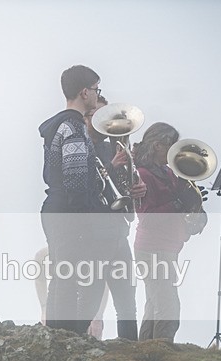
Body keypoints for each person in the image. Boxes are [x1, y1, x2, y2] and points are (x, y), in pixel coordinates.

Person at [39, 66, 144, 337]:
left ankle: (58, 339)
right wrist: (87, 219)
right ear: (85, 92)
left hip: (63, 212)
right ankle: (63, 340)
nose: (98, 95)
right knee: (69, 282)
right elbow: (76, 181)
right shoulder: (74, 128)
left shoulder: (63, 126)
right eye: (97, 90)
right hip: (72, 215)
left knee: (64, 280)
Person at [133, 122, 207, 342]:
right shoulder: (144, 174)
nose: (175, 150)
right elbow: (147, 218)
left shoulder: (168, 172)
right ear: (158, 145)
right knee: (168, 309)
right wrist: (177, 204)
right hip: (153, 249)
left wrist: (193, 203)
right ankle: (162, 352)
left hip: (166, 248)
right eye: (171, 145)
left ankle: (145, 352)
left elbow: (179, 204)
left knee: (154, 306)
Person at [81, 97, 145, 340]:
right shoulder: (84, 147)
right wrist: (111, 165)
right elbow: (85, 186)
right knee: (89, 302)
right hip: (94, 236)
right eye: (95, 116)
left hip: (119, 232)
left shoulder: (112, 147)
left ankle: (130, 352)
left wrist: (137, 187)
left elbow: (121, 186)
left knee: (127, 304)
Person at [33, 245, 108, 339]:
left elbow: (102, 285)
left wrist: (97, 316)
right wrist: (44, 309)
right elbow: (40, 259)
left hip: (87, 309)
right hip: (61, 308)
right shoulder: (48, 253)